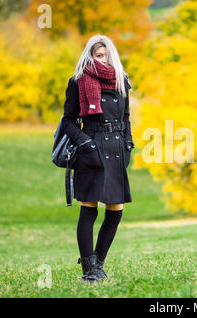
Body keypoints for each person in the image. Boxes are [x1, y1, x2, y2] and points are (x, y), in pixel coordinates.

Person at [62, 34, 135, 283]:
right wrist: (85, 142)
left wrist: (128, 144)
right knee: (89, 210)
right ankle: (88, 270)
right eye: (96, 55)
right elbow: (68, 122)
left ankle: (99, 264)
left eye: (104, 55)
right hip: (91, 149)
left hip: (116, 151)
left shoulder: (121, 80)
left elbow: (126, 119)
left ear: (111, 55)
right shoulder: (79, 81)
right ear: (89, 56)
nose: (101, 60)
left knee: (115, 211)